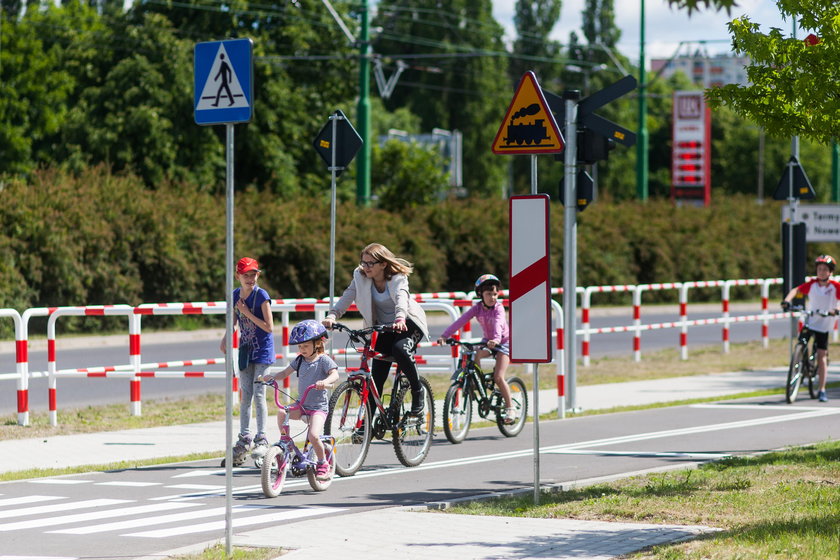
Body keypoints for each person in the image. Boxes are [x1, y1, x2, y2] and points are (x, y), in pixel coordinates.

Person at [322, 243, 429, 416]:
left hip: (407, 322)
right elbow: (348, 295)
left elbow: (402, 297)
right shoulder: (360, 276)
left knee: (400, 349)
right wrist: (332, 315)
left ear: (383, 264)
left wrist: (400, 317)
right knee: (376, 375)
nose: (365, 267)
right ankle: (366, 424)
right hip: (384, 328)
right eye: (363, 262)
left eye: (370, 263)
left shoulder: (398, 277)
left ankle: (417, 391)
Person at [262, 320, 339, 480]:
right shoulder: (299, 360)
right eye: (300, 347)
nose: (302, 350)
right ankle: (285, 442)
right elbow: (284, 373)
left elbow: (335, 374)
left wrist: (325, 382)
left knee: (313, 435)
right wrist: (272, 378)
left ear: (317, 344)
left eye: (305, 346)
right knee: (282, 412)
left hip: (318, 408)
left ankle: (323, 463)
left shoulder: (323, 360)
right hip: (302, 405)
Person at [438, 274, 516, 423]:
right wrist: (445, 335)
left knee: (499, 377)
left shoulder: (498, 308)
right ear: (480, 294)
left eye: (495, 294)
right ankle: (477, 383)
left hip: (503, 342)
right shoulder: (477, 308)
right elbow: (461, 320)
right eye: (488, 294)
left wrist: (496, 339)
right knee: (474, 357)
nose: (493, 297)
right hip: (487, 341)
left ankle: (510, 408)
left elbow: (499, 324)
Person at [220, 257, 275, 465]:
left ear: (258, 275)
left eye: (253, 274)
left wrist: (245, 312)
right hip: (246, 351)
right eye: (246, 275)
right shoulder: (235, 295)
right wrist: (226, 337)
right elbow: (233, 321)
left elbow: (269, 326)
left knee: (259, 394)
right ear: (238, 276)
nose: (250, 279)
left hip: (262, 352)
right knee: (246, 396)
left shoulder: (262, 296)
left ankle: (262, 439)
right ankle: (244, 439)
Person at [781, 254, 840, 403]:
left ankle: (821, 389)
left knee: (821, 355)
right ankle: (800, 361)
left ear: (830, 271)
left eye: (825, 269)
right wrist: (787, 301)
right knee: (801, 343)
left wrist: (836, 309)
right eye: (819, 269)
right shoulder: (812, 284)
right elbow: (796, 290)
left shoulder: (835, 286)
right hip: (811, 320)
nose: (821, 272)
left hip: (824, 324)